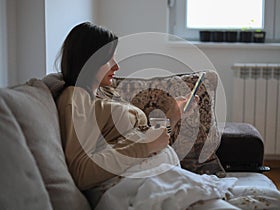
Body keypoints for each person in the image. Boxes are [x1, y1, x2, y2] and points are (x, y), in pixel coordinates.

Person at [56, 22, 204, 206]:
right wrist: (147, 146)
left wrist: (173, 117)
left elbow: (148, 140)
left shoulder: (105, 92)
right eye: (108, 59)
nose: (116, 66)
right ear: (88, 61)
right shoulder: (75, 97)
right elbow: (80, 172)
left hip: (152, 179)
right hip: (130, 190)